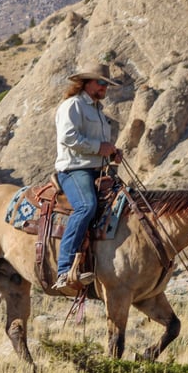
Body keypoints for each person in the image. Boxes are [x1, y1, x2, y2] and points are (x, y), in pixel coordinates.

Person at [52, 62, 122, 289]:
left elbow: (98, 146)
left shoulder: (98, 111)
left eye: (107, 84)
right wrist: (98, 147)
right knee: (86, 206)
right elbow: (68, 138)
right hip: (74, 169)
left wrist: (110, 152)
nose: (104, 88)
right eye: (101, 83)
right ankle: (64, 270)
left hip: (97, 170)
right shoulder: (72, 105)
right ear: (87, 82)